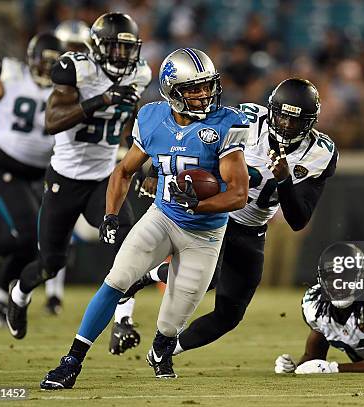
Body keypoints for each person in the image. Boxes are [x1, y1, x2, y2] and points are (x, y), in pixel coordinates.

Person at [39, 47, 250, 389]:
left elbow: (239, 195)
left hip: (205, 235)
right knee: (117, 278)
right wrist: (110, 214)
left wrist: (196, 206)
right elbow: (123, 171)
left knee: (172, 322)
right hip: (162, 218)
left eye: (206, 86)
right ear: (172, 90)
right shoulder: (152, 118)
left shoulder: (226, 124)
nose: (202, 94)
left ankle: (161, 348)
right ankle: (71, 361)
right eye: (192, 88)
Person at [109, 78, 338, 357]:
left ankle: (164, 351)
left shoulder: (320, 153)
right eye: (282, 117)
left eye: (296, 121)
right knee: (207, 279)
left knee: (230, 314)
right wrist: (157, 170)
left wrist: (285, 180)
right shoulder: (245, 119)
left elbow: (298, 219)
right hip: (218, 214)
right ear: (271, 110)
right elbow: (189, 131)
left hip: (253, 228)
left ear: (311, 122)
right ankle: (144, 278)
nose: (287, 126)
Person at [5, 12, 151, 339]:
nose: (123, 57)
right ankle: (19, 293)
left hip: (103, 178)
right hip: (65, 178)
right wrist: (101, 100)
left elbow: (128, 120)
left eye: (128, 50)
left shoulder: (139, 74)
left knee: (126, 240)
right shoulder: (78, 69)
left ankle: (123, 321)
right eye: (115, 49)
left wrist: (137, 160)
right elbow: (52, 121)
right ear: (99, 47)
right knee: (50, 263)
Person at [0, 33, 64, 326]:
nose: (48, 70)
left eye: (54, 64)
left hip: (40, 173)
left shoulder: (68, 85)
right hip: (5, 169)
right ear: (31, 61)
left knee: (33, 241)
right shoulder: (12, 75)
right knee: (30, 234)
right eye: (44, 63)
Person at [42, 19, 92, 316]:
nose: (73, 54)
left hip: (73, 169)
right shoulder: (42, 82)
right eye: (68, 48)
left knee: (71, 234)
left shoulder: (90, 81)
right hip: (43, 165)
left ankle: (53, 294)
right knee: (39, 237)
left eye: (78, 48)